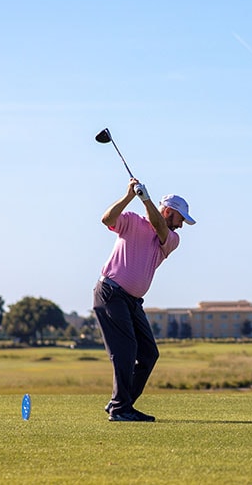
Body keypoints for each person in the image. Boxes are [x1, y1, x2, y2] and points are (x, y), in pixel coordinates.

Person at [94, 178, 196, 422]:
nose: (181, 226)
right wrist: (130, 196)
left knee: (149, 353)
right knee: (126, 350)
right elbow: (107, 219)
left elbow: (159, 226)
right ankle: (121, 409)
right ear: (168, 212)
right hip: (110, 293)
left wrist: (146, 199)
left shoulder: (171, 239)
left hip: (132, 301)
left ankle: (121, 403)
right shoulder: (131, 220)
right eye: (180, 219)